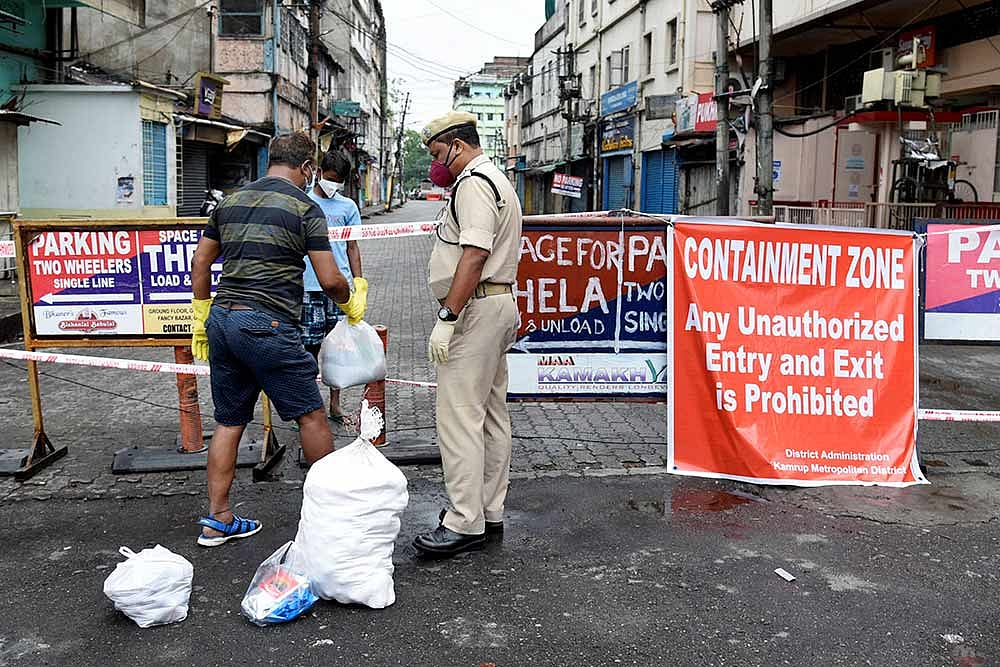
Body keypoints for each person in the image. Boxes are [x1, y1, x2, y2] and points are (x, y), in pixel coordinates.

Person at [189, 131, 368, 548]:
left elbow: (200, 261)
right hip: (267, 325)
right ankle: (330, 519)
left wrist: (201, 314)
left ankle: (217, 519)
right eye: (311, 170)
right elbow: (329, 279)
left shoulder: (230, 202)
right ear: (307, 167)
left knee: (229, 421)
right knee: (311, 416)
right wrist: (351, 301)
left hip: (223, 321)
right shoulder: (305, 208)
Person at [412, 111, 522, 558]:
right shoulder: (495, 179)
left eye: (439, 153)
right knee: (491, 416)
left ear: (457, 145)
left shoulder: (474, 183)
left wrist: (448, 316)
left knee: (459, 417)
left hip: (475, 309)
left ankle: (464, 521)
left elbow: (474, 255)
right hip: (495, 304)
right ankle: (488, 511)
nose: (437, 164)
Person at [301, 150, 363, 422]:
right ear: (319, 173)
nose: (333, 184)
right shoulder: (302, 202)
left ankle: (335, 405)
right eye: (330, 178)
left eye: (338, 181)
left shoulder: (348, 207)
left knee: (338, 349)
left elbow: (353, 247)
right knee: (309, 348)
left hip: (339, 289)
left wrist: (358, 284)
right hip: (308, 286)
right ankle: (309, 407)